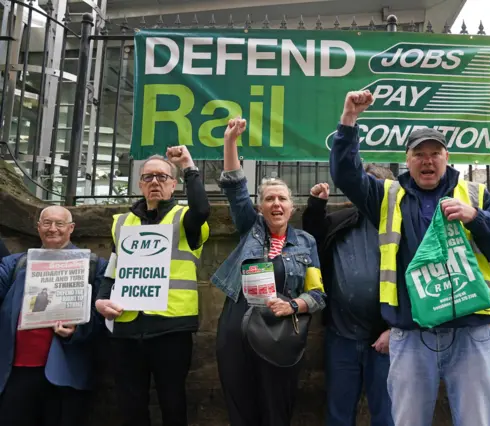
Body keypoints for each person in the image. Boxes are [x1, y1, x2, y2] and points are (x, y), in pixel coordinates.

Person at [329, 90, 490, 426]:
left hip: (470, 334)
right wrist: (349, 120)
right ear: (408, 160)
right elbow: (345, 175)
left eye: (435, 153)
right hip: (410, 335)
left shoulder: (475, 195)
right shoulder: (386, 195)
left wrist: (476, 218)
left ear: (447, 158)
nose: (428, 161)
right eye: (419, 154)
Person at [211, 117, 326, 426]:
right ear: (260, 207)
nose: (276, 203)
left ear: (292, 207)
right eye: (269, 199)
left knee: (277, 409)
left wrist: (293, 305)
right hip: (237, 326)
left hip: (279, 332)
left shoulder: (306, 243)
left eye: (282, 199)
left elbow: (317, 294)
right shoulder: (251, 228)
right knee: (241, 408)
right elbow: (235, 185)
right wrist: (230, 141)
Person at [95, 145, 210, 426]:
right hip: (127, 325)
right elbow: (114, 266)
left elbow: (202, 209)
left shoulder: (185, 219)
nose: (155, 182)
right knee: (130, 406)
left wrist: (188, 166)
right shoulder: (123, 222)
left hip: (170, 327)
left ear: (173, 184)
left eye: (162, 177)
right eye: (148, 177)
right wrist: (100, 298)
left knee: (173, 403)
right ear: (140, 184)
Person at [302, 165, 395, 426]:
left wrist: (394, 328)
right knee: (338, 415)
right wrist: (316, 205)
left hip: (385, 339)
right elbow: (312, 238)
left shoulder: (400, 226)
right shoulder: (339, 220)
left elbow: (412, 281)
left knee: (387, 415)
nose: (368, 192)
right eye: (364, 185)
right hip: (341, 337)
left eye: (376, 186)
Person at [0, 206, 108, 426]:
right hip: (15, 372)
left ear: (71, 228)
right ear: (38, 227)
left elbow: (102, 317)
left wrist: (77, 330)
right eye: (47, 223)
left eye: (59, 224)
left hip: (64, 374)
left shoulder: (93, 265)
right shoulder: (15, 264)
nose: (53, 229)